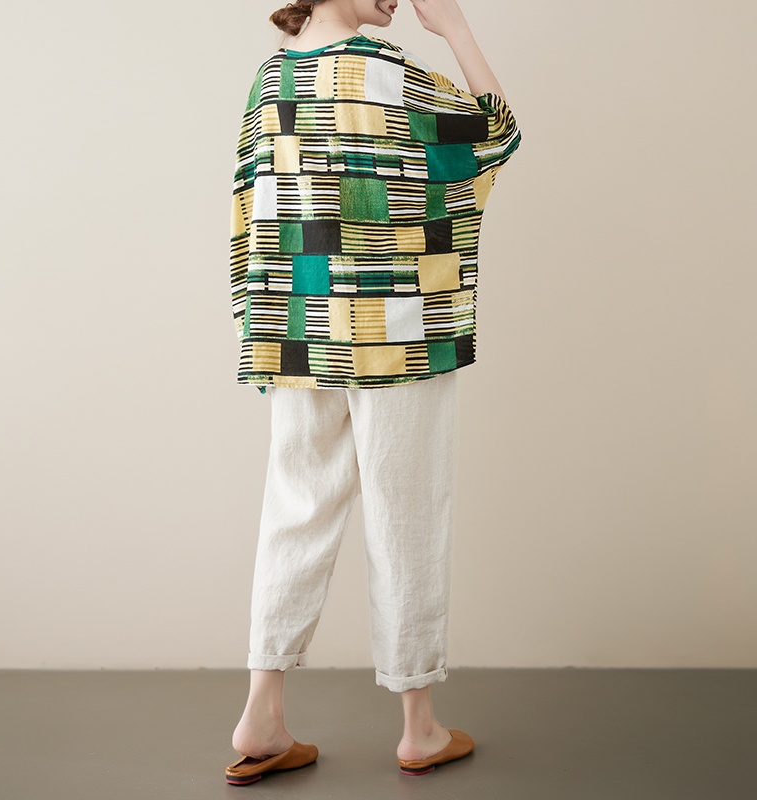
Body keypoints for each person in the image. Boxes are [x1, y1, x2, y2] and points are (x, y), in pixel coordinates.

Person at [225, 0, 520, 785]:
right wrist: (455, 29)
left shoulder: (270, 82)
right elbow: (494, 135)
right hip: (397, 331)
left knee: (295, 508)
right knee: (407, 512)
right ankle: (418, 727)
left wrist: (261, 325)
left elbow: (250, 208)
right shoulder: (385, 72)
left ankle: (261, 714)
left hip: (298, 327)